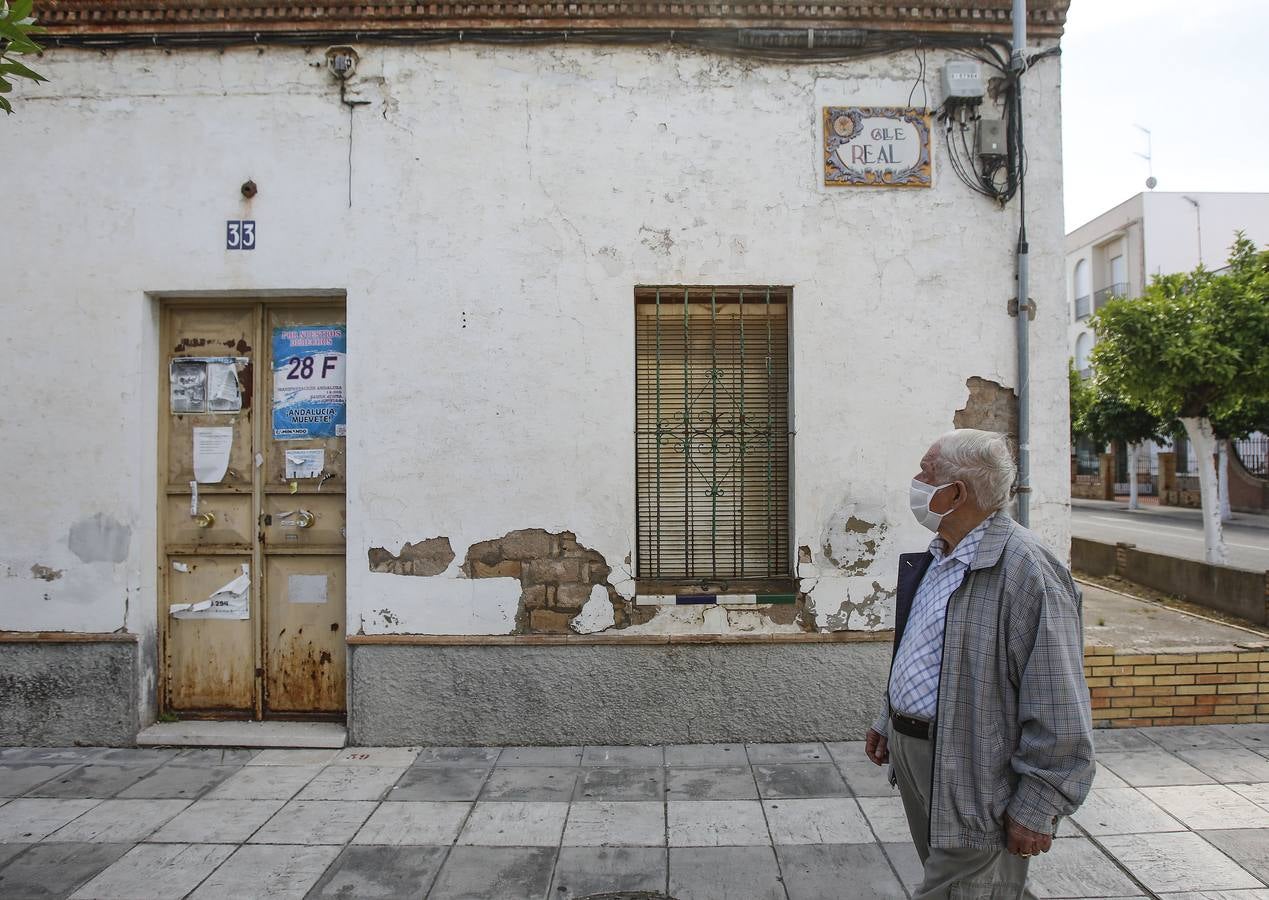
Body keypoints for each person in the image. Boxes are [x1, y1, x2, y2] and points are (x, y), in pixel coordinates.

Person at [865, 429, 1094, 899]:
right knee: (973, 884)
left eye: (925, 472)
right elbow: (925, 651)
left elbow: (1060, 702)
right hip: (919, 753)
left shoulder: (1028, 571)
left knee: (966, 886)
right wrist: (890, 720)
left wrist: (1039, 802)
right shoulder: (940, 557)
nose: (914, 480)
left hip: (975, 768)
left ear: (955, 493)